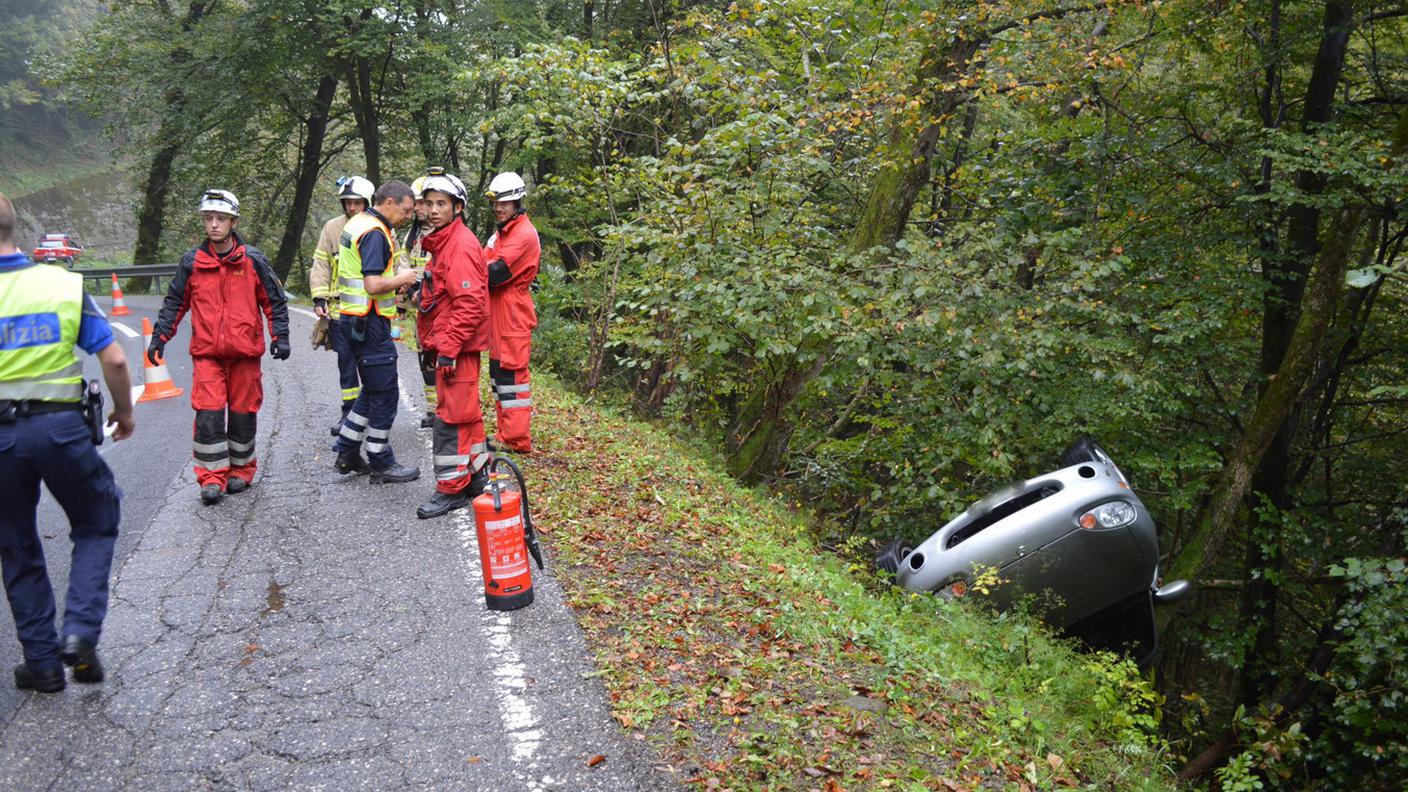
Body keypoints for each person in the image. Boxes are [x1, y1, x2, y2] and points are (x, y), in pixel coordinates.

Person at [0, 191, 135, 693]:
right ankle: (79, 634)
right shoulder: (60, 284)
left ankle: (40, 664)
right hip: (61, 430)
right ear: (16, 229)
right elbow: (116, 360)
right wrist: (123, 413)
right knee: (97, 521)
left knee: (16, 546)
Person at [150, 190, 291, 505]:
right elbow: (175, 303)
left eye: (221, 219)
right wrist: (160, 336)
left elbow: (274, 301)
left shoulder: (253, 260)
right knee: (209, 415)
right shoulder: (193, 263)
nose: (214, 225)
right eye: (208, 218)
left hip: (244, 355)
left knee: (243, 414)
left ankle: (240, 470)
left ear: (233, 222)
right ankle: (211, 477)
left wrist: (280, 336)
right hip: (208, 355)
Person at [412, 171, 492, 519]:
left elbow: (470, 304)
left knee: (451, 419)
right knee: (467, 415)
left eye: (441, 204)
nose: (432, 210)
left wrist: (448, 348)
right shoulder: (443, 242)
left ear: (457, 207)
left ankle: (450, 489)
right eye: (428, 203)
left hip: (456, 349)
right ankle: (475, 477)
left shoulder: (459, 244)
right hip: (451, 346)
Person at [331, 180, 421, 483]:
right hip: (369, 324)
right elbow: (372, 284)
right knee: (385, 393)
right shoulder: (374, 233)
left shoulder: (359, 222)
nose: (409, 215)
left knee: (371, 388)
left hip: (353, 320)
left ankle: (346, 451)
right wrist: (404, 277)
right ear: (390, 203)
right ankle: (381, 460)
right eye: (407, 210)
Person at [310, 176, 375, 436]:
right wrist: (319, 297)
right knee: (345, 364)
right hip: (339, 312)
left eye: (356, 202)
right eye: (347, 202)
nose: (351, 207)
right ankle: (348, 412)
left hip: (370, 313)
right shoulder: (332, 228)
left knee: (370, 364)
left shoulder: (378, 228)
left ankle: (369, 410)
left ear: (367, 202)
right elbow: (321, 265)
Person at [483, 172, 541, 453]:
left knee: (512, 379)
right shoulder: (502, 232)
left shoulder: (523, 234)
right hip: (498, 314)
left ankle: (518, 439)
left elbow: (494, 273)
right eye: (496, 203)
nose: (499, 208)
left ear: (518, 201)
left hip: (512, 315)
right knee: (499, 378)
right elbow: (484, 261)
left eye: (505, 203)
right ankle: (506, 434)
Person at [401, 173, 437, 429]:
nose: (419, 208)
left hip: (442, 311)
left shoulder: (447, 234)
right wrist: (412, 291)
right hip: (420, 310)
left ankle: (449, 411)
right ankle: (433, 411)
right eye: (418, 203)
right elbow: (403, 268)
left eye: (425, 202)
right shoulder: (411, 238)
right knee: (425, 362)